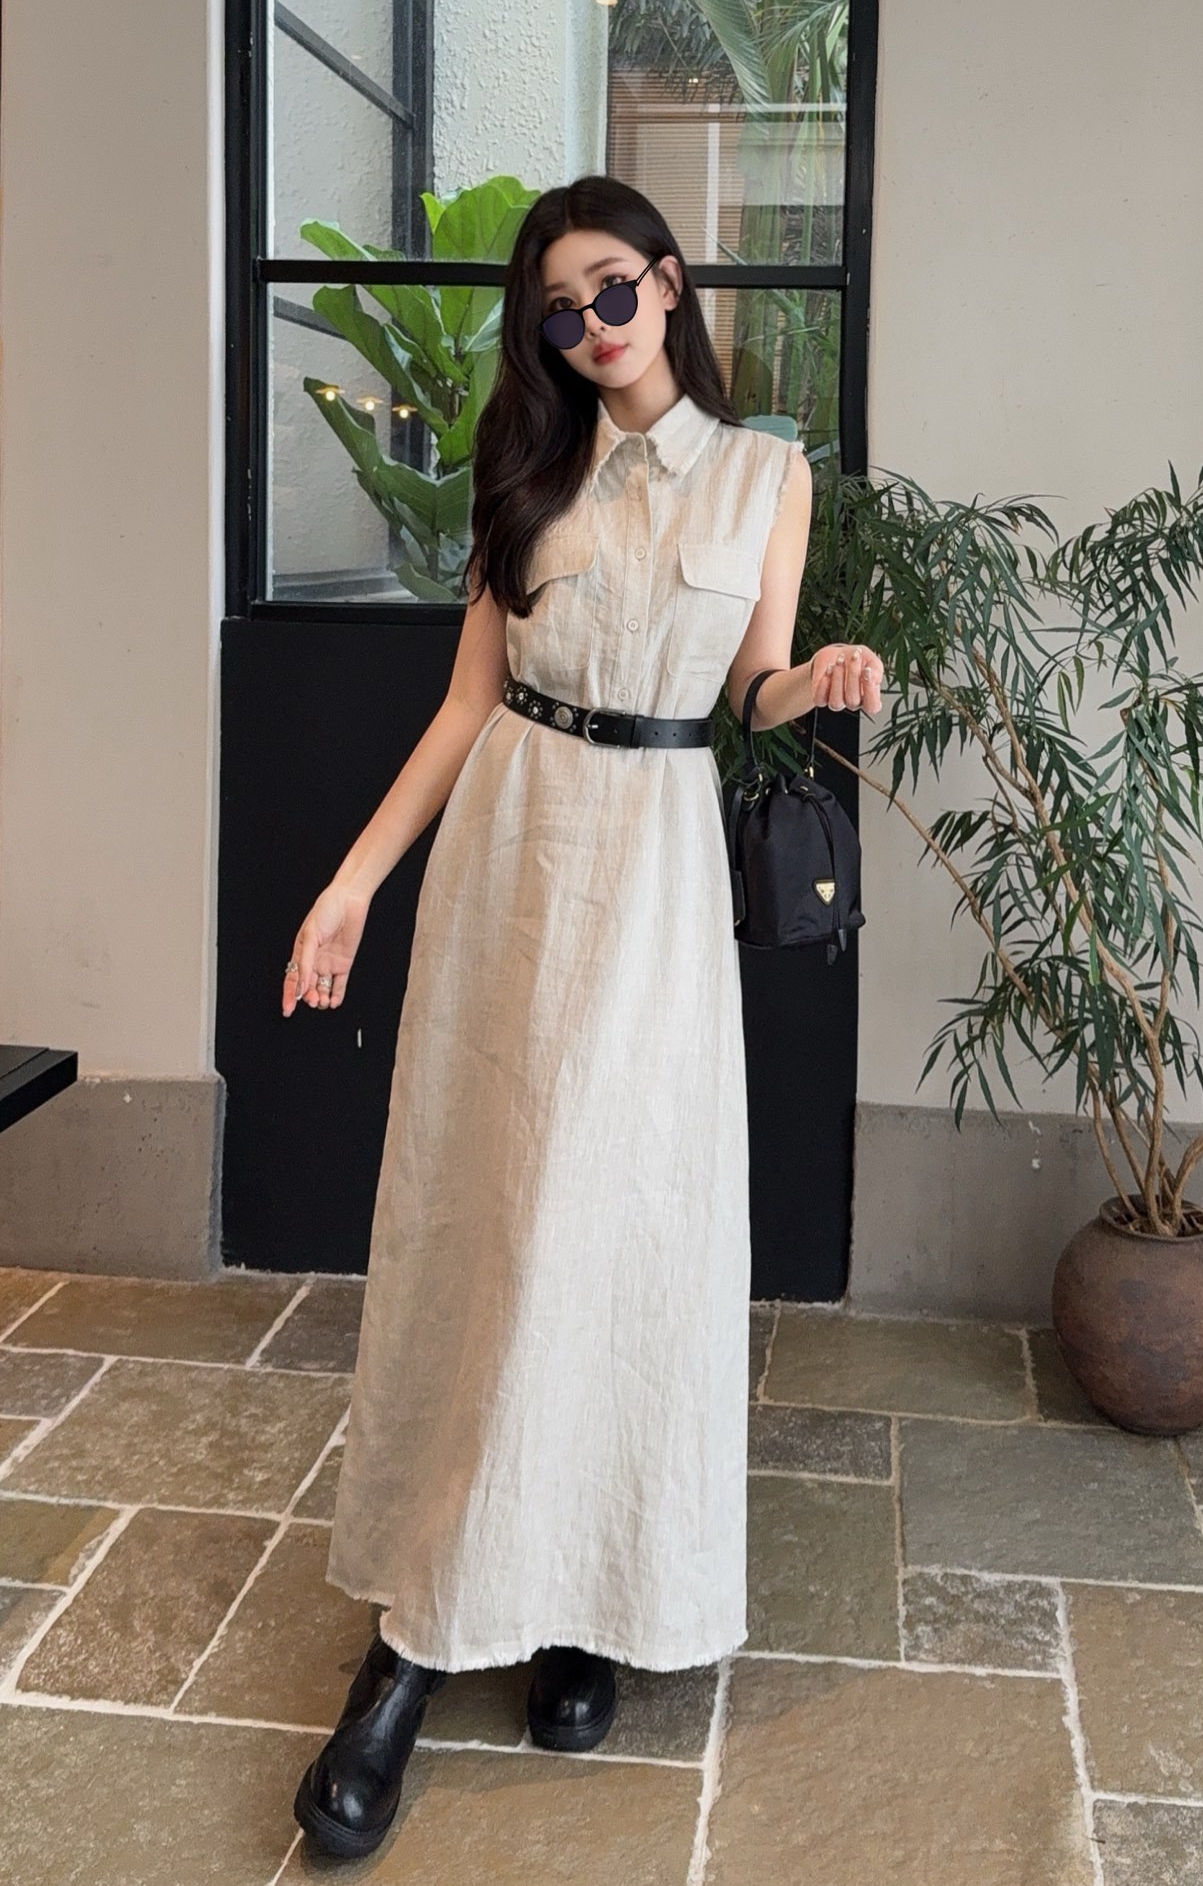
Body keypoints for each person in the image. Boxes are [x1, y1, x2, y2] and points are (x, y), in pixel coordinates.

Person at [281, 174, 886, 1860]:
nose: (592, 328)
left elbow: (752, 684)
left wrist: (819, 678)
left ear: (669, 283)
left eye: (613, 291)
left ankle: (585, 1599)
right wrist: (352, 883)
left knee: (613, 1233)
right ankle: (409, 1638)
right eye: (560, 310)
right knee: (483, 1220)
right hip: (513, 859)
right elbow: (466, 702)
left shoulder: (766, 477)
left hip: (658, 876)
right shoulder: (526, 468)